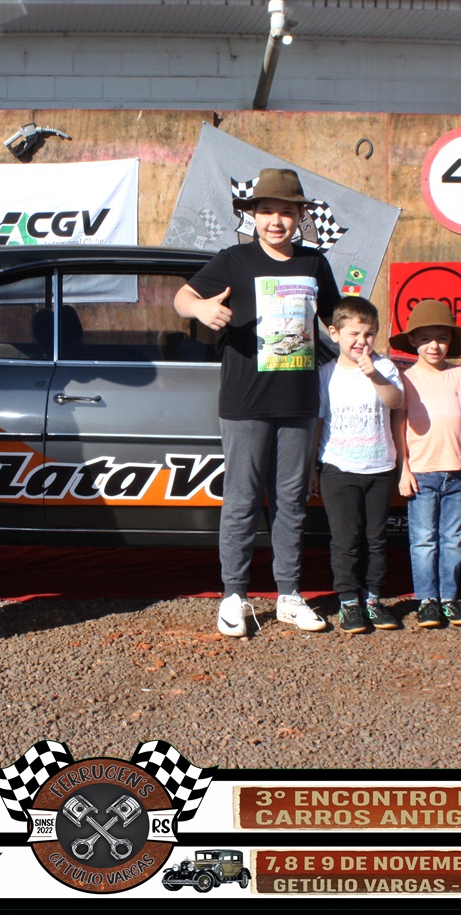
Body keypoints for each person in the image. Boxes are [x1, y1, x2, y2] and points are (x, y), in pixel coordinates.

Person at [174, 167, 341, 636]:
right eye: (267, 211)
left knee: (291, 501)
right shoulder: (233, 260)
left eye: (286, 212)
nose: (276, 221)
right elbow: (182, 297)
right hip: (245, 402)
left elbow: (335, 319)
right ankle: (234, 595)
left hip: (300, 402)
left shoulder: (314, 263)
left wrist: (363, 348)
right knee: (242, 500)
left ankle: (288, 594)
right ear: (253, 215)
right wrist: (202, 308)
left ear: (300, 217)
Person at [310, 295, 404, 633]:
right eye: (354, 334)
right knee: (345, 539)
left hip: (379, 468)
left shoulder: (386, 368)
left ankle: (374, 599)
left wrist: (375, 375)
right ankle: (349, 601)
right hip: (337, 468)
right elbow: (319, 422)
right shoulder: (326, 374)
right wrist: (311, 468)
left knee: (375, 538)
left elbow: (395, 401)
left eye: (369, 334)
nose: (362, 341)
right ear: (335, 333)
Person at [391, 299, 461, 629]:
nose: (434, 345)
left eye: (442, 338)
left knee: (453, 540)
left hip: (458, 472)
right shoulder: (406, 378)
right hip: (421, 472)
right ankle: (427, 600)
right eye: (425, 338)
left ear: (451, 342)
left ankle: (449, 598)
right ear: (413, 341)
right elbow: (399, 424)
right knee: (423, 541)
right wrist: (404, 469)